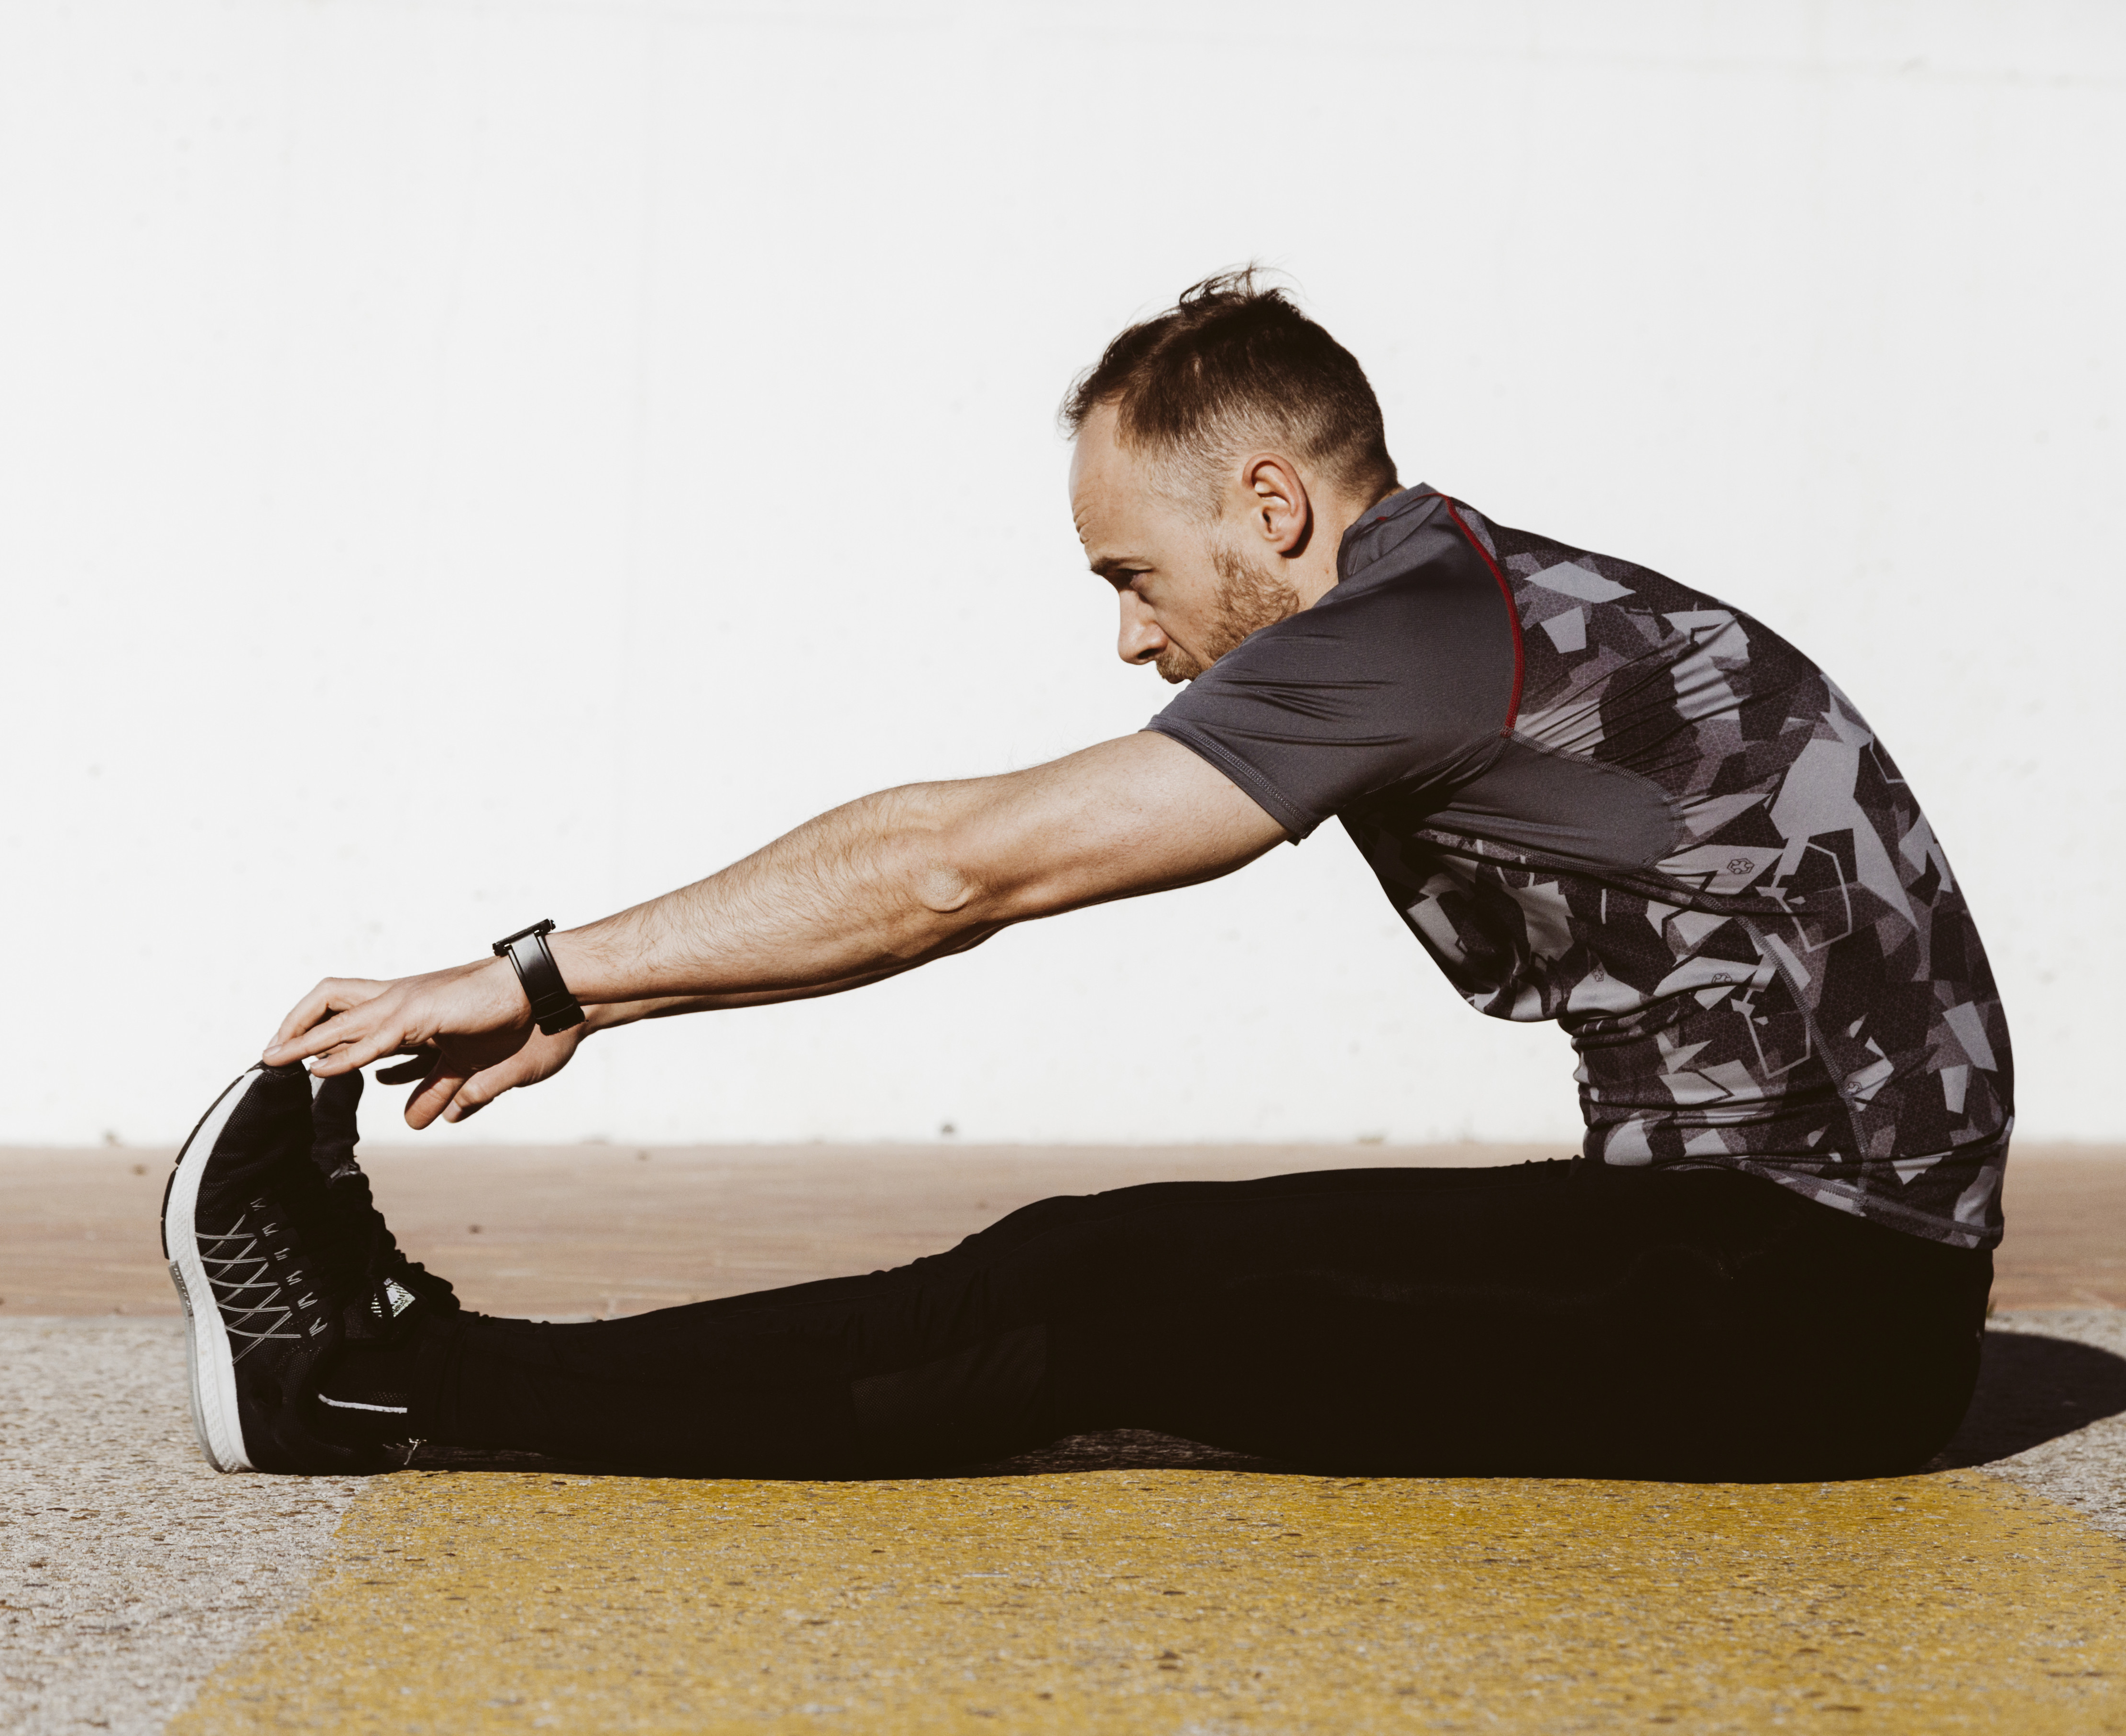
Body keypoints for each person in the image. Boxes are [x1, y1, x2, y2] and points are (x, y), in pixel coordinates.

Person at [162, 271, 2009, 1483]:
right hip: (1755, 1260)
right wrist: (608, 993)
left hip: (1809, 1319)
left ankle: (386, 1392)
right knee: (1098, 1259)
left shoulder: (1423, 633)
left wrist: (545, 975)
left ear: (1271, 508)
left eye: (1134, 575)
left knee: (1090, 1304)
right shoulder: (1474, 600)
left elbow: (960, 872)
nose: (1135, 641)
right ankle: (414, 1371)